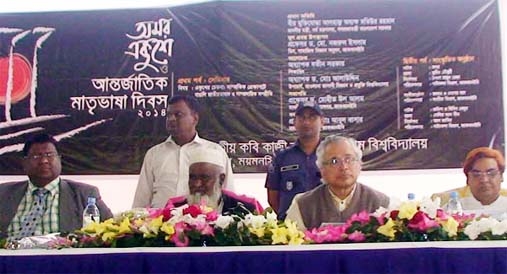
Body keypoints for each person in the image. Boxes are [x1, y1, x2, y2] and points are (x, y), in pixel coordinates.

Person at [0, 133, 113, 240]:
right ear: (24, 163)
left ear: (59, 159)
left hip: (61, 258)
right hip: (9, 257)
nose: (44, 161)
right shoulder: (3, 193)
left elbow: (112, 230)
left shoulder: (85, 194)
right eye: (36, 156)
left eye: (50, 155)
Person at [132, 95, 235, 208]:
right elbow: (142, 199)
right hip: (160, 223)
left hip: (203, 223)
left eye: (178, 115)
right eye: (168, 115)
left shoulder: (215, 152)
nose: (171, 119)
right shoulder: (154, 154)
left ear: (195, 118)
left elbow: (229, 195)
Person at [285, 135, 389, 230]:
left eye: (349, 159)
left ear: (359, 164)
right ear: (321, 169)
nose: (344, 167)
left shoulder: (381, 203)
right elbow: (291, 246)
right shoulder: (303, 204)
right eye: (334, 161)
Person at [265, 101, 324, 220]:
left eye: (312, 117)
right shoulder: (281, 157)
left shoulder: (332, 155)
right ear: (294, 123)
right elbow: (273, 198)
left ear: (322, 122)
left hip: (324, 226)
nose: (306, 122)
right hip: (290, 230)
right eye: (302, 117)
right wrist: (290, 219)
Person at [166, 148, 263, 215]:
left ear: (221, 179)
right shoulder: (174, 208)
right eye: (192, 177)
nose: (197, 184)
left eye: (204, 177)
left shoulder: (247, 207)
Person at [431, 147, 507, 216]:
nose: (484, 180)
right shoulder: (450, 208)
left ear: (501, 176)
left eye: (491, 173)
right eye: (476, 174)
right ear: (468, 179)